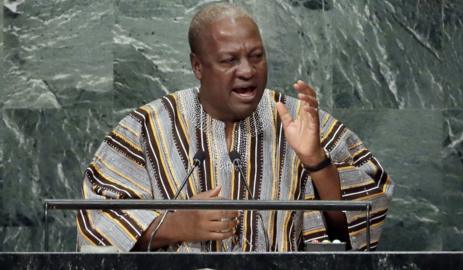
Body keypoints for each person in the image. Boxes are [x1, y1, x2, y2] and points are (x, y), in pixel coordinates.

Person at [77, 3, 393, 252]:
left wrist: (318, 163)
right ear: (198, 66)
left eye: (256, 56)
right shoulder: (146, 126)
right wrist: (177, 225)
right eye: (230, 60)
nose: (247, 71)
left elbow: (359, 225)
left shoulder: (300, 120)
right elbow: (98, 223)